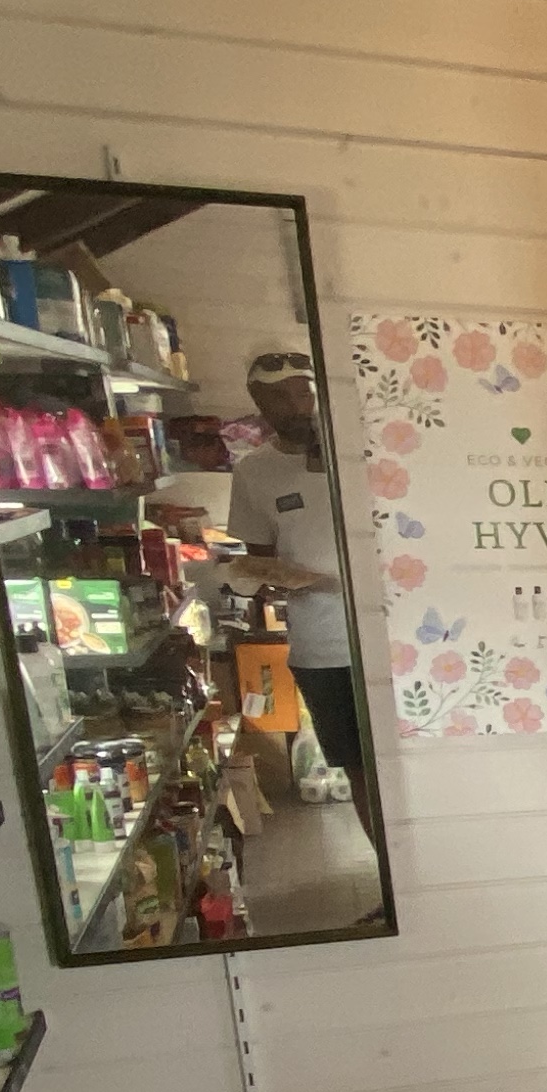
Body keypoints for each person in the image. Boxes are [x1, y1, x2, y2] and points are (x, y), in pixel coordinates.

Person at [223, 349, 382, 857]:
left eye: (303, 393)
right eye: (280, 397)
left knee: (404, 760)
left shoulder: (365, 452)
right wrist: (274, 580)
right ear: (258, 403)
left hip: (391, 637)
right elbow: (258, 560)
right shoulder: (255, 472)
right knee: (359, 767)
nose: (297, 406)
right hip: (322, 645)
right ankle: (388, 873)